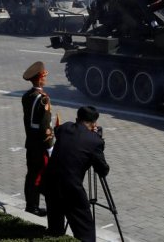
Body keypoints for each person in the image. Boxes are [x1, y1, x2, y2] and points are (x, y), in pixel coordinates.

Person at [44, 105, 110, 242]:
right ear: (94, 124)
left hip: (49, 184)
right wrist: (98, 140)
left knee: (55, 229)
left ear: (76, 119)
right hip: (71, 189)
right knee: (85, 232)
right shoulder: (94, 141)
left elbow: (58, 130)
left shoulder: (64, 128)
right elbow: (103, 170)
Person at [21, 61, 55, 217]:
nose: (46, 79)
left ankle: (30, 203)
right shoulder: (43, 99)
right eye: (44, 76)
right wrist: (50, 145)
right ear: (40, 78)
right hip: (40, 145)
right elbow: (44, 126)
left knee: (31, 174)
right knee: (38, 175)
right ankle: (33, 206)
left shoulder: (27, 95)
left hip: (30, 141)